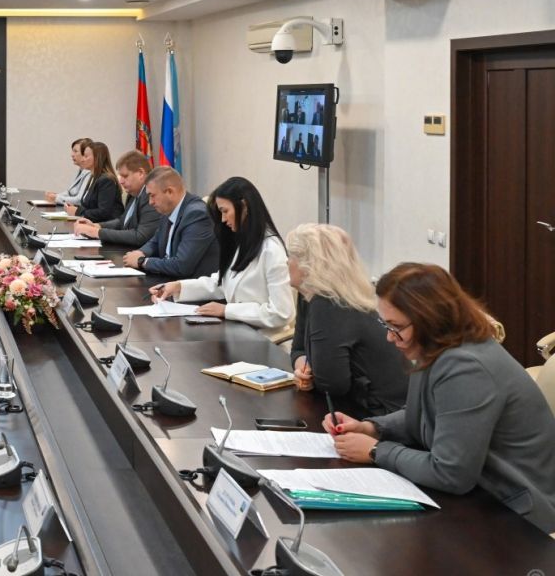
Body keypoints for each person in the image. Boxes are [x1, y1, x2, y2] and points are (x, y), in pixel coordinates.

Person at [324, 263, 555, 533]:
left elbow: (451, 473)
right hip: (483, 498)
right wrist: (372, 428)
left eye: (396, 327)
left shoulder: (467, 367)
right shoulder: (439, 346)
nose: (389, 337)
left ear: (428, 319)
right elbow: (425, 413)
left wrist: (376, 452)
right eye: (385, 324)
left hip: (520, 519)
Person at [287, 223, 408, 415]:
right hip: (356, 404)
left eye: (292, 256)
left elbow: (332, 385)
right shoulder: (310, 296)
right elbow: (298, 349)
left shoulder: (329, 303)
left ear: (309, 265)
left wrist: (312, 378)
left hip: (380, 413)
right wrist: (302, 367)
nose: (287, 262)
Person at [151, 176, 294, 329]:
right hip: (239, 331)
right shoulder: (243, 242)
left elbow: (282, 313)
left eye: (225, 211)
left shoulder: (271, 250)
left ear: (244, 206)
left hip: (263, 337)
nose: (223, 219)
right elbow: (221, 283)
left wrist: (227, 310)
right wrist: (178, 286)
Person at [124, 167, 217, 278]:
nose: (150, 202)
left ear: (170, 192)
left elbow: (181, 266)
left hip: (190, 284)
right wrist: (141, 253)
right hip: (169, 279)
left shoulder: (197, 215)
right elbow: (156, 241)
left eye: (152, 195)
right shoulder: (168, 209)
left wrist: (142, 261)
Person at [74, 150, 160, 247]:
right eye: (120, 176)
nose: (121, 181)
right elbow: (123, 221)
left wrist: (96, 232)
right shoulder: (133, 194)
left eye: (125, 176)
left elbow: (140, 236)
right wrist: (96, 226)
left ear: (140, 173)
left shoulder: (151, 197)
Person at [63, 141, 124, 222]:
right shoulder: (93, 177)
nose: (82, 159)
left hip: (106, 226)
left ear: (97, 158)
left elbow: (104, 212)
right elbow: (90, 206)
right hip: (94, 223)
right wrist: (75, 208)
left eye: (86, 156)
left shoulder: (107, 180)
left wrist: (78, 211)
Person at [46, 138, 92, 205]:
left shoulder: (90, 173)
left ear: (85, 154)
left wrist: (56, 198)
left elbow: (79, 200)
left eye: (75, 151)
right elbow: (70, 192)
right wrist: (56, 195)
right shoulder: (80, 170)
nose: (72, 155)